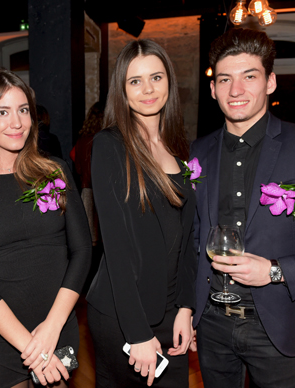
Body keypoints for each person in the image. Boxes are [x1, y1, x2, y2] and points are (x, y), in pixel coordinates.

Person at [190, 28, 295, 388]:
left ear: (270, 82)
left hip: (282, 325)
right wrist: (186, 309)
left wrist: (276, 272)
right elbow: (190, 238)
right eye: (225, 79)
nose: (236, 90)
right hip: (211, 324)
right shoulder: (197, 152)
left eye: (249, 76)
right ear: (213, 89)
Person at [0, 67, 91, 387]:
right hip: (0, 339)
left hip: (58, 330)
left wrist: (51, 329)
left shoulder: (55, 171)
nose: (17, 122)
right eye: (2, 112)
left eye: (23, 110)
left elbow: (83, 251)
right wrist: (32, 347)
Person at [87, 39, 197, 387]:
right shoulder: (109, 145)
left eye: (156, 77)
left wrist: (186, 307)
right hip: (124, 314)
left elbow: (187, 237)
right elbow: (116, 247)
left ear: (169, 82)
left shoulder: (179, 147)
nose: (147, 89)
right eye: (135, 81)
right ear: (122, 89)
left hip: (170, 310)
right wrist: (136, 333)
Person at [69, 101, 105, 246]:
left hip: (87, 190)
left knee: (90, 240)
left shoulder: (82, 141)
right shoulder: (108, 140)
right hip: (105, 192)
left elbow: (77, 166)